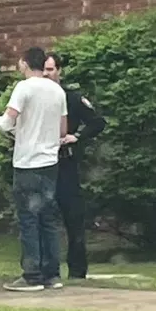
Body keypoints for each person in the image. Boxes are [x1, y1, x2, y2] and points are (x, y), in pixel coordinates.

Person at [0, 47, 68, 292]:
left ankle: (31, 275)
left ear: (24, 63)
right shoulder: (57, 90)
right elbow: (63, 130)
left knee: (29, 219)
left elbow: (8, 121)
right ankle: (52, 275)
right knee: (48, 219)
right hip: (50, 162)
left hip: (27, 163)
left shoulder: (24, 88)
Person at [44, 52, 106, 280]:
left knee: (73, 217)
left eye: (51, 69)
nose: (46, 74)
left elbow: (97, 122)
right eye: (43, 70)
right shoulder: (33, 97)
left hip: (65, 163)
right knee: (41, 217)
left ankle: (77, 271)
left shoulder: (71, 97)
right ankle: (45, 269)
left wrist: (77, 136)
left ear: (59, 71)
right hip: (41, 164)